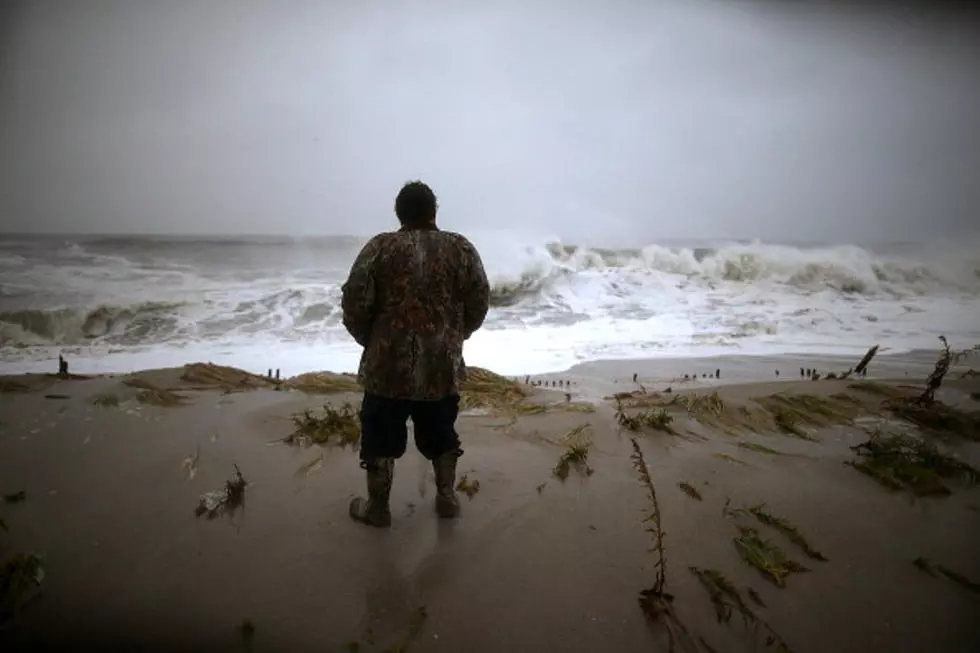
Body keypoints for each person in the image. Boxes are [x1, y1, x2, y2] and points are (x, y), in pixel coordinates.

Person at [340, 180, 491, 528]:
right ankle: (447, 499)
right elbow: (480, 300)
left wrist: (373, 340)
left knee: (380, 436)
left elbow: (354, 301)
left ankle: (378, 509)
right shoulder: (461, 248)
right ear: (434, 211)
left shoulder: (380, 247)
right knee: (440, 432)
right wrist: (454, 336)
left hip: (387, 366)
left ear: (399, 213)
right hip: (441, 364)